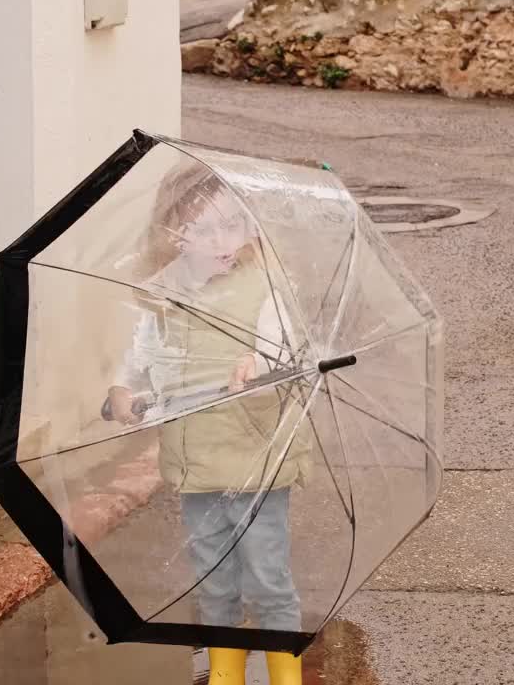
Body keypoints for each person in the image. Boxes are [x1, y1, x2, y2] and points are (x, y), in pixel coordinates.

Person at [106, 161, 309, 685]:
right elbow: (144, 353)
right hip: (195, 456)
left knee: (267, 575)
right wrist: (124, 388)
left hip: (256, 452)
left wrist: (262, 361)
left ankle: (285, 674)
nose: (224, 240)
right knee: (214, 574)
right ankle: (226, 671)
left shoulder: (265, 284)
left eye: (234, 225)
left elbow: (284, 339)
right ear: (176, 234)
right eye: (206, 228)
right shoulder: (165, 293)